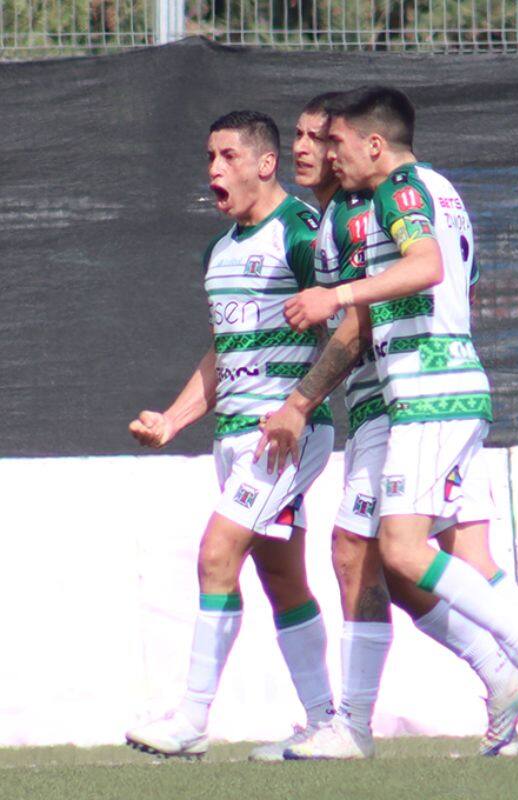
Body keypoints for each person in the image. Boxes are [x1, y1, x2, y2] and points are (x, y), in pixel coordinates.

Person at [262, 86, 518, 756]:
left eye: (330, 139)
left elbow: (423, 269)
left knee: (398, 552)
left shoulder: (396, 192)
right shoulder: (432, 189)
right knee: (440, 554)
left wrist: (330, 308)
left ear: (371, 144)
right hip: (438, 387)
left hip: (422, 393)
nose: (321, 151)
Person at [124, 111, 336, 761]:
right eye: (208, 158)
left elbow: (346, 324)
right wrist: (173, 418)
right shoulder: (218, 253)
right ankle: (326, 722)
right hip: (234, 437)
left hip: (283, 435)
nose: (213, 170)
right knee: (282, 577)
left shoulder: (301, 234)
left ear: (265, 164)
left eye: (227, 157)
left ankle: (191, 720)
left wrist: (299, 407)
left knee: (216, 553)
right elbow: (225, 351)